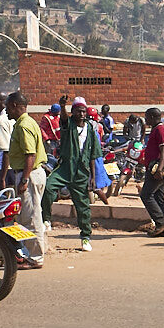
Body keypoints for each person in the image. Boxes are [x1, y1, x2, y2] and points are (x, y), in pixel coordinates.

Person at [42, 96, 102, 252]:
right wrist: (63, 106)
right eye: (78, 111)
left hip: (81, 172)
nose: (81, 114)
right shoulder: (68, 125)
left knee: (83, 206)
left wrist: (93, 178)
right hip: (65, 168)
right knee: (48, 187)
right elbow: (63, 119)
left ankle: (85, 238)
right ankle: (46, 220)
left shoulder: (90, 129)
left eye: (83, 111)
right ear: (73, 112)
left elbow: (93, 156)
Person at [1, 91, 47, 268]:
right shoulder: (26, 122)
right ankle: (33, 253)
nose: (6, 111)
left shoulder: (23, 126)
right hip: (30, 174)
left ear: (14, 106)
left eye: (7, 107)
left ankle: (35, 258)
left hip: (30, 174)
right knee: (30, 216)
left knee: (31, 218)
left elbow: (30, 155)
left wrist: (24, 180)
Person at [140, 107, 164, 237]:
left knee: (146, 195)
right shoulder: (156, 129)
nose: (146, 120)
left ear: (152, 117)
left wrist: (159, 169)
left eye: (147, 117)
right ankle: (163, 229)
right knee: (158, 197)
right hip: (155, 167)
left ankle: (161, 222)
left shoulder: (159, 130)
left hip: (156, 169)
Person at [0, 93, 14, 190]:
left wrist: (2, 179)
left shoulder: (1, 120)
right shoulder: (13, 117)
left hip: (3, 169)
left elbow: (6, 150)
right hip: (13, 168)